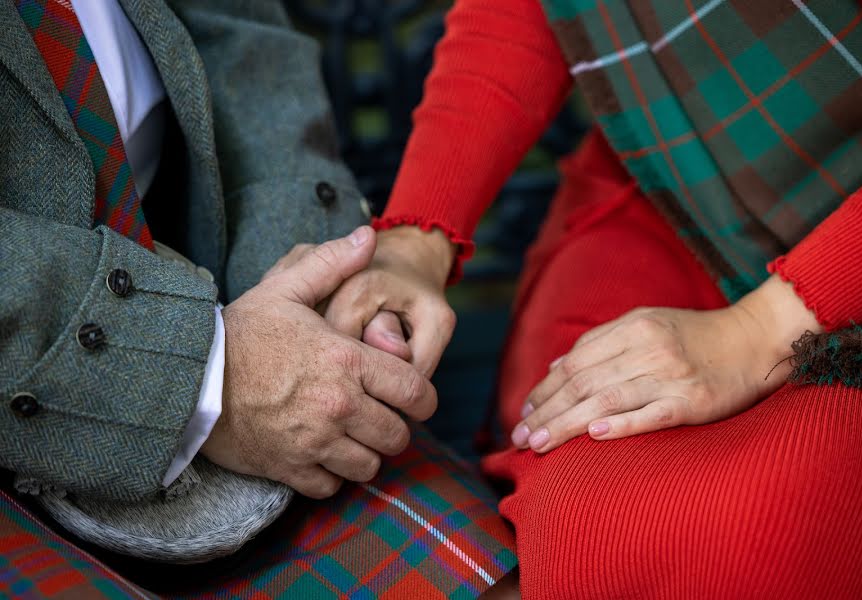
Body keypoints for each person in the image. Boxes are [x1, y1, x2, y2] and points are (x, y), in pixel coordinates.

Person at [328, 0, 862, 597]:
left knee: (763, 537)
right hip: (676, 184)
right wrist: (419, 239)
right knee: (599, 519)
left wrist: (758, 329)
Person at [0, 0, 516, 597]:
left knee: (494, 583)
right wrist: (206, 372)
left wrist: (297, 290)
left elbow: (246, 42)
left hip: (215, 293)